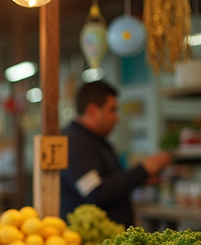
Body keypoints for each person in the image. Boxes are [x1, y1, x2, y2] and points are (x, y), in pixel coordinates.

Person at [60, 81, 173, 226]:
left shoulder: (94, 140)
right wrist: (143, 170)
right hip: (92, 244)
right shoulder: (74, 141)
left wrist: (140, 178)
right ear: (93, 111)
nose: (117, 118)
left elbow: (108, 181)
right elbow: (95, 192)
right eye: (112, 110)